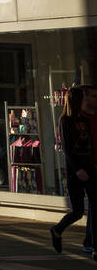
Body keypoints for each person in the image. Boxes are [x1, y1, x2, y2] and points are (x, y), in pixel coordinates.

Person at [50, 85, 97, 259]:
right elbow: (68, 148)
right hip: (75, 172)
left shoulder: (84, 120)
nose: (85, 101)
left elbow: (90, 145)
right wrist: (78, 169)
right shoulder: (66, 120)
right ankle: (57, 229)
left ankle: (94, 247)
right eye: (83, 98)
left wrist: (92, 165)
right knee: (77, 211)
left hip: (90, 169)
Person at [82, 85, 97, 255]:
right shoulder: (79, 120)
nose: (95, 99)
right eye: (92, 96)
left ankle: (90, 240)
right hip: (89, 167)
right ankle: (90, 241)